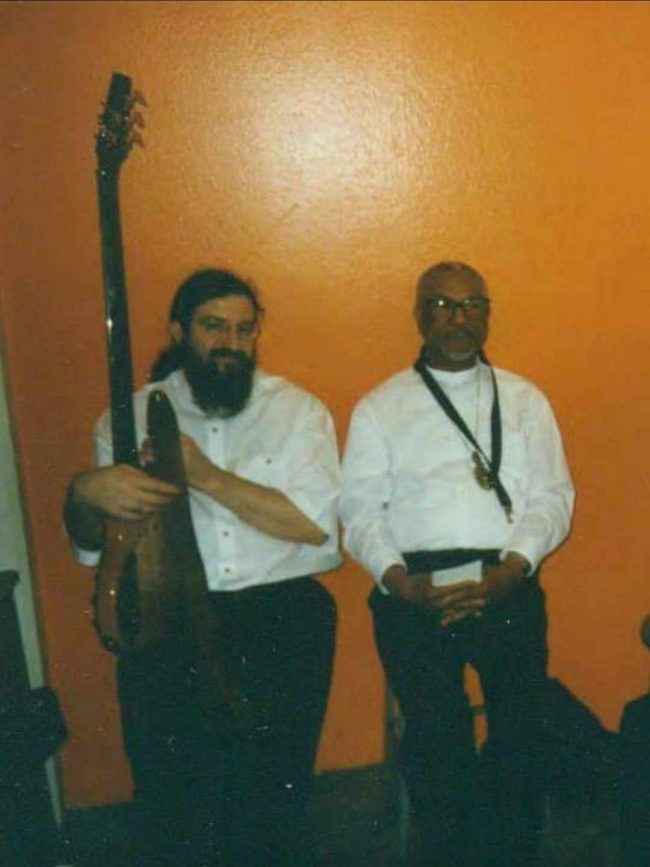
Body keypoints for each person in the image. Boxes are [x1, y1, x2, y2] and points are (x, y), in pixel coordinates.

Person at [63, 269, 341, 867]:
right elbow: (97, 549)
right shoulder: (129, 418)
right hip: (169, 620)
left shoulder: (296, 412)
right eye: (214, 327)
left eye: (244, 329)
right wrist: (86, 494)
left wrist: (206, 477)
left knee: (275, 795)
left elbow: (314, 525)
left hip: (279, 616)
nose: (230, 344)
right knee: (172, 798)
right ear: (178, 331)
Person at [340, 261, 575, 866]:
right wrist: (398, 581)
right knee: (437, 724)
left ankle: (509, 847)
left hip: (505, 576)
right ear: (419, 316)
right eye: (443, 305)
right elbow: (360, 511)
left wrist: (514, 568)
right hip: (415, 585)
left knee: (522, 716)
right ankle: (454, 849)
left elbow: (553, 498)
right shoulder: (380, 406)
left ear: (487, 315)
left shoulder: (524, 400)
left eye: (473, 305)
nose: (459, 318)